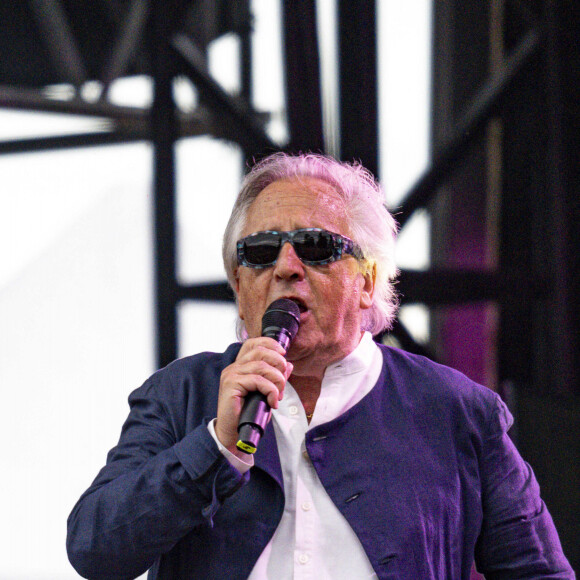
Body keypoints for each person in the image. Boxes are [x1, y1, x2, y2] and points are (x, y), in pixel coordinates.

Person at [67, 152, 574, 579]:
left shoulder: (458, 412)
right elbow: (95, 549)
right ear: (239, 287)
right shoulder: (180, 394)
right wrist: (215, 447)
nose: (287, 267)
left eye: (315, 247)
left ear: (370, 281)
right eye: (261, 252)